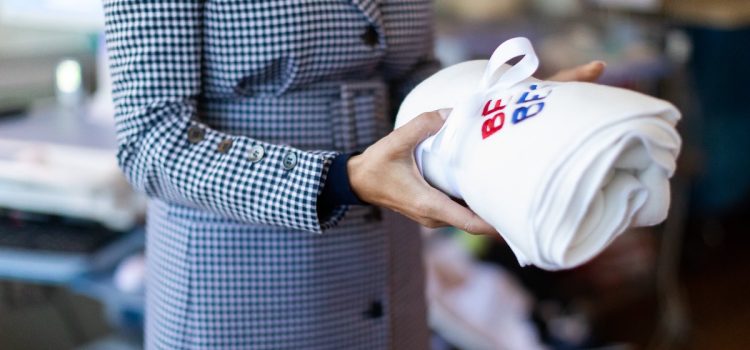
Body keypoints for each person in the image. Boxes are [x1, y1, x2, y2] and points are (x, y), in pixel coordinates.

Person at [103, 1, 604, 348]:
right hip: (244, 286)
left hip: (389, 276)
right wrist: (343, 180)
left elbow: (411, 81)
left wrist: (514, 110)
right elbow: (152, 138)